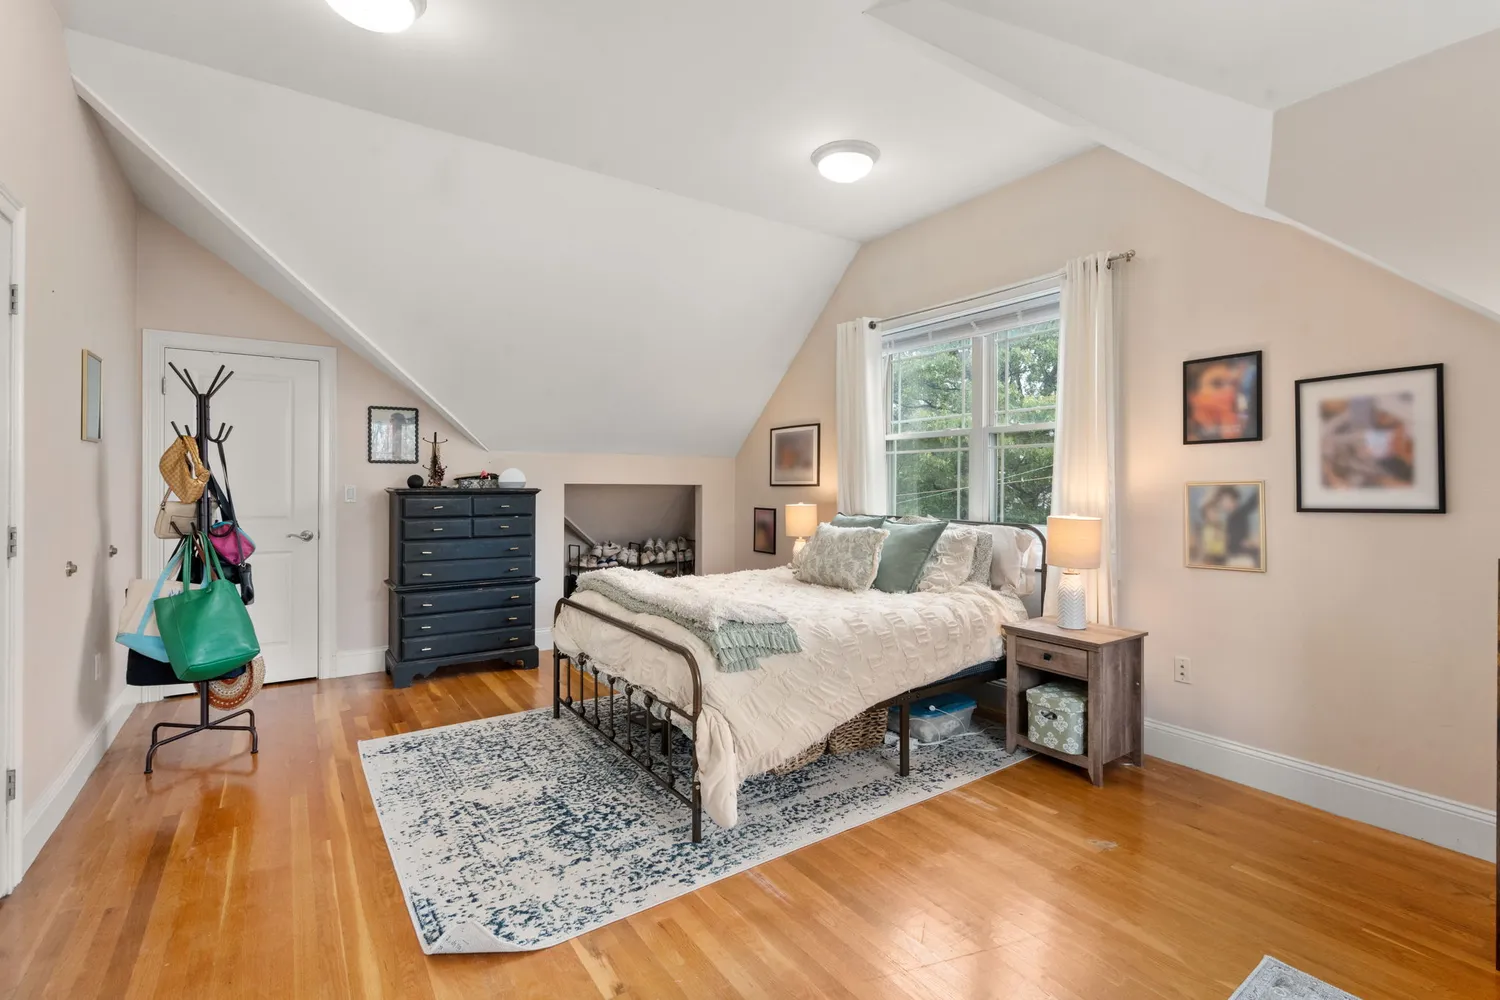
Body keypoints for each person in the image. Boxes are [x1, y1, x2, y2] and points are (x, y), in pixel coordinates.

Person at [1186, 360, 1251, 441]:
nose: (1230, 392)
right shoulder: (1187, 435)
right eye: (1217, 384)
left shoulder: (1242, 425)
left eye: (1234, 384)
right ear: (1192, 395)